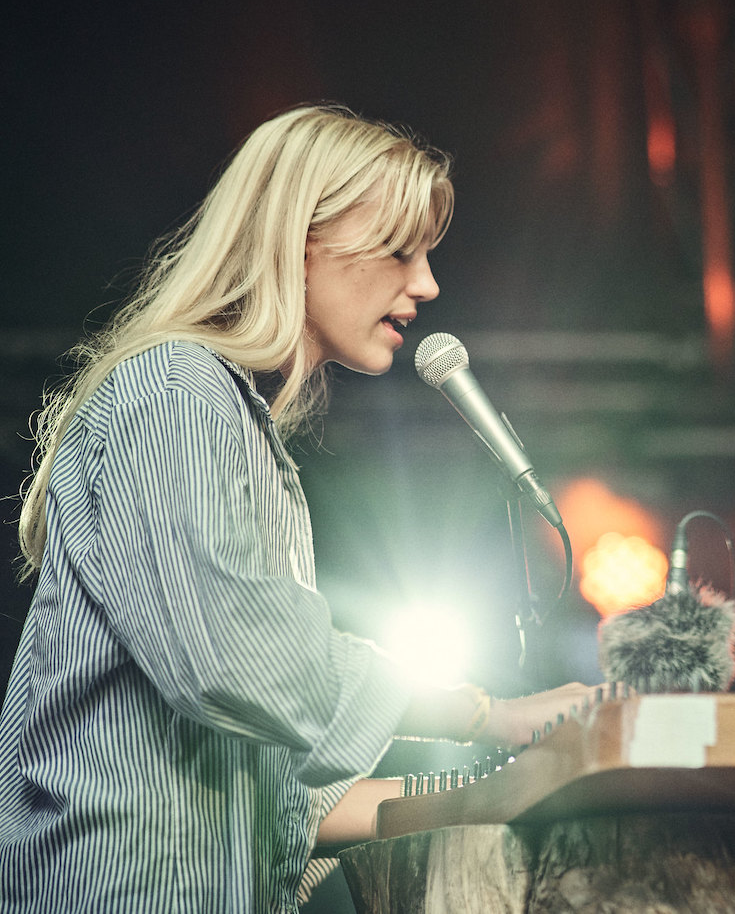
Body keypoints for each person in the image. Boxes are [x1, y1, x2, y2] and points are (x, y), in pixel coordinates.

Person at [0, 104, 592, 912]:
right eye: (399, 251)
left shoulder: (231, 429)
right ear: (299, 240)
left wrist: (519, 784)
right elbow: (235, 658)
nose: (427, 283)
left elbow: (282, 805)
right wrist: (489, 716)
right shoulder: (176, 394)